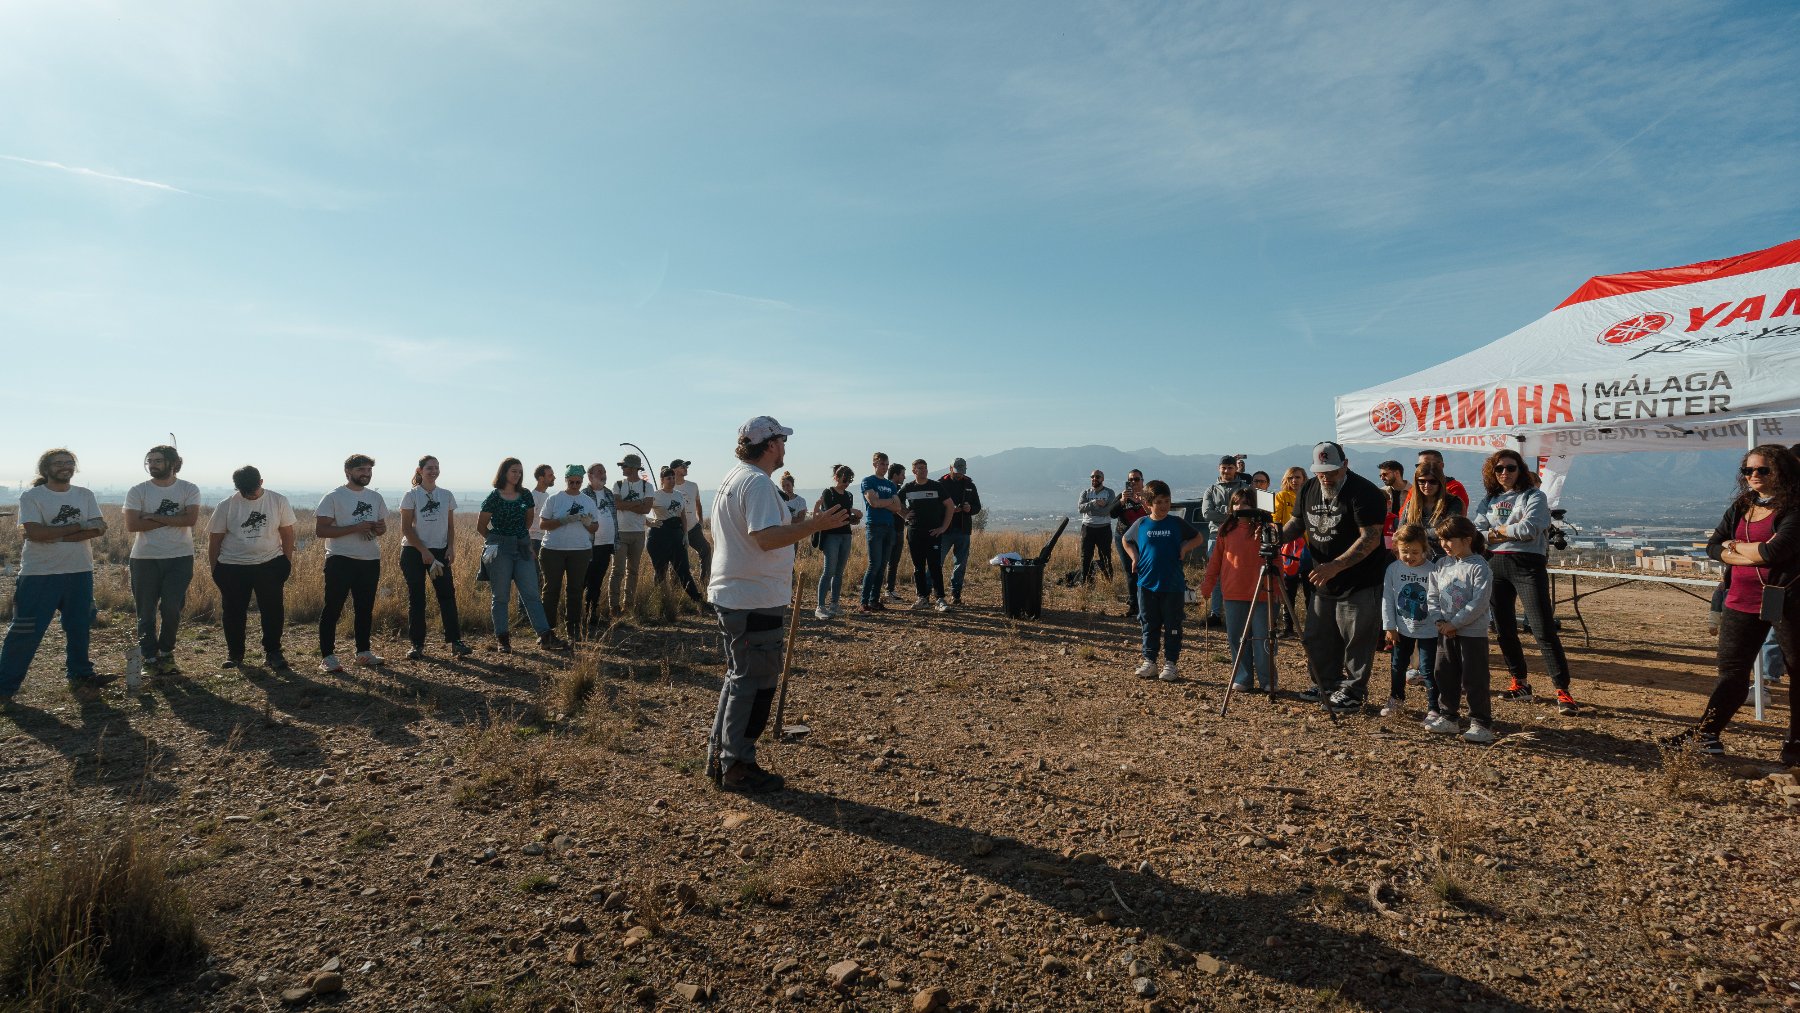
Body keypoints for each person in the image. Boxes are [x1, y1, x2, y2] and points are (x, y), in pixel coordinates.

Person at [705, 416, 848, 793]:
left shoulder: (735, 477)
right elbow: (767, 538)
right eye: (782, 440)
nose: (785, 447)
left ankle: (722, 756)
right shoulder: (756, 484)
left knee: (740, 676)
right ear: (770, 445)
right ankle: (737, 765)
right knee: (754, 681)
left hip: (740, 594)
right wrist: (816, 525)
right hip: (752, 597)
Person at [1666, 445, 1800, 765]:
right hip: (1740, 599)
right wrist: (1745, 550)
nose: (1753, 476)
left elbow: (1774, 552)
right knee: (1731, 672)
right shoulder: (1743, 505)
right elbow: (1713, 546)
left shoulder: (1795, 507)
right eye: (1748, 471)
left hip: (1788, 601)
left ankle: (1796, 742)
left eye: (1763, 470)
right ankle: (1707, 735)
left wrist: (1735, 547)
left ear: (1782, 471)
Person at [1276, 442, 1390, 712]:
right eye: (1320, 471)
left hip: (1359, 580)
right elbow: (1298, 523)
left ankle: (1353, 691)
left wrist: (1336, 565)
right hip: (1322, 578)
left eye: (1331, 471)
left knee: (1356, 638)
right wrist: (1277, 537)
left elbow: (1371, 538)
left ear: (1345, 464)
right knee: (1319, 635)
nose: (1325, 476)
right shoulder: (1309, 487)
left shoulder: (1365, 492)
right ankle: (1326, 683)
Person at [1471, 448, 1579, 715]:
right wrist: (1504, 532)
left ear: (1520, 470)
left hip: (1527, 565)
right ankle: (1519, 682)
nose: (1504, 473)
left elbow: (1530, 529)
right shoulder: (1489, 499)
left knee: (1542, 628)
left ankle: (1562, 690)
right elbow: (1476, 533)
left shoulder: (1535, 496)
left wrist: (1495, 532)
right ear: (1492, 473)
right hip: (1495, 564)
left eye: (1510, 468)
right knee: (1504, 628)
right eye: (1499, 469)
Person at [0, 449, 108, 709]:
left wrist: (56, 535)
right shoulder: (32, 496)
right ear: (45, 468)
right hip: (40, 573)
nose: (65, 467)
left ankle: (81, 674)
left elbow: (99, 528)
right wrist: (79, 526)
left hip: (79, 571)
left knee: (79, 626)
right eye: (58, 463)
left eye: (69, 463)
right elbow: (35, 533)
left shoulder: (85, 494)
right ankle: (5, 686)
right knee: (25, 630)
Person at [208, 466, 297, 673]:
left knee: (273, 610)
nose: (249, 495)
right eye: (244, 492)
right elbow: (215, 539)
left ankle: (273, 652)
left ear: (262, 482)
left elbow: (287, 533)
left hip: (270, 564)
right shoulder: (226, 505)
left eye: (253, 491)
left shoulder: (278, 501)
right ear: (237, 488)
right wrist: (216, 569)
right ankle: (235, 654)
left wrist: (286, 562)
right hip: (232, 566)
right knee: (233, 611)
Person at [124, 443, 200, 681]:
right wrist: (172, 519)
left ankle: (166, 653)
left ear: (172, 463)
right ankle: (149, 658)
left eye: (158, 460)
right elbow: (133, 525)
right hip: (145, 558)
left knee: (171, 608)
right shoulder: (138, 491)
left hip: (179, 557)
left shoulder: (189, 489)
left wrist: (153, 517)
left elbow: (190, 520)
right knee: (145, 612)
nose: (152, 465)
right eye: (150, 461)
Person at [478, 458, 566, 653]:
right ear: (503, 473)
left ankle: (545, 636)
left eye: (519, 471)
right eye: (513, 471)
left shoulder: (525, 495)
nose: (517, 475)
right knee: (500, 596)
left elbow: (528, 522)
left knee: (531, 593)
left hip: (523, 546)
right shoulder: (494, 496)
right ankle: (503, 639)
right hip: (499, 548)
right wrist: (495, 540)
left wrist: (521, 541)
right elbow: (481, 526)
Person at [315, 454, 390, 674]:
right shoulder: (334, 497)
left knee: (364, 609)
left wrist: (377, 529)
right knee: (333, 608)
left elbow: (383, 528)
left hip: (369, 559)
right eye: (361, 470)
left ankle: (363, 653)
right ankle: (327, 657)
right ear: (348, 472)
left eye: (369, 470)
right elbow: (321, 530)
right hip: (340, 559)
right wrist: (355, 527)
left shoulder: (375, 498)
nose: (366, 474)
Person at [1198, 488, 1278, 691]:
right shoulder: (1225, 530)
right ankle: (1243, 678)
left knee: (1262, 639)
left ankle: (1268, 680)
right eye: (1237, 503)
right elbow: (1215, 561)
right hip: (1234, 592)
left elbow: (1277, 561)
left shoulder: (1265, 529)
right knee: (1238, 638)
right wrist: (1208, 583)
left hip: (1263, 593)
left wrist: (1278, 589)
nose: (1241, 507)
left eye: (1245, 503)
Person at [1425, 515, 1496, 743]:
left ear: (1467, 539)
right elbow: (1432, 595)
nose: (1444, 544)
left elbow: (1478, 603)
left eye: (1449, 539)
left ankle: (1481, 722)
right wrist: (1439, 622)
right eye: (1441, 540)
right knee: (1444, 674)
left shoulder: (1479, 567)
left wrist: (1454, 624)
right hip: (1445, 632)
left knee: (1474, 678)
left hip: (1471, 634)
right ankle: (1449, 717)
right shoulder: (1441, 565)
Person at [399, 455, 469, 660]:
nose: (434, 471)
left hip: (440, 551)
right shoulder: (411, 495)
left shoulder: (446, 495)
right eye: (429, 468)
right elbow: (406, 529)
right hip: (414, 552)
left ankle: (455, 642)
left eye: (436, 468)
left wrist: (451, 547)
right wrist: (423, 551)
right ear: (420, 471)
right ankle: (417, 645)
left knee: (447, 596)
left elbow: (450, 526)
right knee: (417, 598)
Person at [1380, 524, 1438, 719]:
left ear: (1425, 549)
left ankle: (1434, 708)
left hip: (1429, 629)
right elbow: (1387, 597)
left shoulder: (1433, 570)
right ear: (1397, 548)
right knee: (1398, 665)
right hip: (1401, 628)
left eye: (1415, 552)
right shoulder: (1393, 569)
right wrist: (1389, 626)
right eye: (1405, 551)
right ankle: (1396, 699)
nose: (1409, 556)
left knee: (1428, 669)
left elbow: (1439, 599)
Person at [539, 465, 601, 639]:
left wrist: (588, 523)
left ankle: (573, 628)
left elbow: (595, 527)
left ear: (582, 481)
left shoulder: (588, 501)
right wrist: (563, 520)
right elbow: (543, 524)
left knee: (575, 589)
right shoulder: (554, 499)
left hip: (579, 550)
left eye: (578, 482)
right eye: (571, 481)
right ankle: (546, 630)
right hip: (553, 549)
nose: (575, 485)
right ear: (566, 480)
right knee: (551, 589)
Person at [1199, 455, 1252, 625]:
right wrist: (1234, 513)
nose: (1226, 471)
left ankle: (1240, 613)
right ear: (1219, 468)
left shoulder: (1245, 488)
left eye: (1230, 468)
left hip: (1242, 536)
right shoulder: (1211, 490)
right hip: (1216, 537)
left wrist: (1222, 511)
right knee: (1216, 576)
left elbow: (1251, 510)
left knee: (1240, 572)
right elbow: (1207, 514)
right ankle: (1216, 614)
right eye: (1224, 467)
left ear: (1236, 469)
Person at [900, 459, 958, 611]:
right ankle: (922, 598)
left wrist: (943, 527)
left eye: (925, 468)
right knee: (918, 567)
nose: (924, 470)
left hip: (933, 533)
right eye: (920, 468)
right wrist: (904, 514)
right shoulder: (908, 487)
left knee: (934, 566)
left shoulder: (936, 486)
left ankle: (940, 599)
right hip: (914, 532)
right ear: (914, 471)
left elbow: (950, 506)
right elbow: (895, 502)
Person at [858, 453, 907, 612]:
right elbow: (873, 502)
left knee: (883, 566)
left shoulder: (890, 485)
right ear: (874, 464)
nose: (884, 467)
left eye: (886, 465)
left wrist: (882, 502)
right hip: (875, 526)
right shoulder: (868, 481)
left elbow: (897, 508)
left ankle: (874, 600)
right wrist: (888, 502)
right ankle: (864, 601)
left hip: (889, 527)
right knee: (874, 565)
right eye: (881, 464)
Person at [812, 465, 862, 619]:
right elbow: (831, 511)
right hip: (831, 535)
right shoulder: (829, 492)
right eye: (845, 479)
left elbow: (844, 514)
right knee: (829, 571)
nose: (847, 482)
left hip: (845, 534)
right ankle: (820, 606)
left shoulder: (849, 495)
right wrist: (851, 514)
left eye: (850, 479)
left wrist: (851, 517)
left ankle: (834, 604)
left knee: (839, 572)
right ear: (836, 477)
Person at [649, 465, 703, 602]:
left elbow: (683, 516)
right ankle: (660, 601)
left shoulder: (678, 495)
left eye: (673, 478)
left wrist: (685, 535)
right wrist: (649, 522)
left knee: (683, 569)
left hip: (677, 534)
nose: (672, 480)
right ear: (662, 480)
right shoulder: (655, 495)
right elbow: (642, 510)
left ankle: (697, 599)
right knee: (660, 571)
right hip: (659, 536)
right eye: (668, 478)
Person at [611, 454, 655, 612]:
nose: (622, 468)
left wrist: (626, 505)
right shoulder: (617, 484)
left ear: (634, 468)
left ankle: (628, 605)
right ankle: (614, 606)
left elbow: (647, 509)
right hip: (620, 532)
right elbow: (616, 505)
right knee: (618, 570)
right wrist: (638, 502)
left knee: (633, 571)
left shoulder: (647, 486)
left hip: (638, 533)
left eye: (625, 466)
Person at [937, 457, 981, 606]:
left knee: (960, 564)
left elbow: (977, 507)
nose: (959, 475)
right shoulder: (940, 484)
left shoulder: (970, 484)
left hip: (963, 530)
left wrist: (969, 509)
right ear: (950, 468)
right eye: (956, 472)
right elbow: (934, 507)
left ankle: (956, 594)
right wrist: (949, 510)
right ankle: (933, 593)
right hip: (944, 530)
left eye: (961, 472)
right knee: (937, 562)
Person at [580, 463, 618, 631]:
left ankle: (591, 614)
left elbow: (613, 517)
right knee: (583, 581)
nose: (603, 474)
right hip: (589, 545)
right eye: (599, 472)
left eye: (604, 471)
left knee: (597, 581)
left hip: (607, 544)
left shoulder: (609, 493)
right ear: (590, 476)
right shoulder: (584, 495)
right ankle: (577, 616)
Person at [1402, 463, 1464, 558]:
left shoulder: (1453, 502)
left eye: (1432, 481)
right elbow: (1401, 531)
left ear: (1440, 482)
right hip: (1417, 558)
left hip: (1445, 557)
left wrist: (1415, 533)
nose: (1427, 485)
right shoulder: (1411, 504)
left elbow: (1449, 530)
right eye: (1422, 481)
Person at [1110, 470, 1149, 618]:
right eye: (1130, 480)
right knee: (1130, 571)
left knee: (1144, 569)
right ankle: (1134, 605)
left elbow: (1153, 512)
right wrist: (1121, 501)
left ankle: (1145, 603)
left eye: (1136, 479)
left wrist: (1143, 501)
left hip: (1143, 537)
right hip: (1124, 537)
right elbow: (1111, 513)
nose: (1133, 482)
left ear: (1142, 480)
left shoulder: (1147, 495)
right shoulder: (1122, 496)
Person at [1273, 466, 1307, 637]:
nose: (1295, 480)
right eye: (1291, 477)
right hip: (1288, 548)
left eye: (1298, 477)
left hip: (1308, 547)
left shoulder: (1310, 495)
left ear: (1304, 478)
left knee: (1310, 588)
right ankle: (1288, 627)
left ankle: (1312, 628)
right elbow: (1276, 519)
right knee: (1289, 589)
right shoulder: (1281, 496)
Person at [671, 459, 712, 587]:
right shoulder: (669, 487)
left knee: (706, 550)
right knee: (676, 559)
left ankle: (704, 582)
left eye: (686, 466)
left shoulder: (693, 485)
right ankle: (676, 588)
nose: (686, 468)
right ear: (674, 470)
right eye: (683, 466)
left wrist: (700, 520)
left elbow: (698, 504)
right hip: (676, 530)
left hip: (693, 528)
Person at [1078, 469, 1117, 582]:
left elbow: (1107, 511)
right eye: (1092, 477)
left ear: (1103, 479)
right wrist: (1095, 503)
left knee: (1105, 557)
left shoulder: (1110, 493)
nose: (1094, 479)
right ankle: (1084, 582)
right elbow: (1080, 509)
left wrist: (1090, 509)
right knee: (1085, 557)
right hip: (1087, 529)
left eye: (1097, 477)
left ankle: (1109, 583)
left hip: (1104, 529)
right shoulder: (1085, 493)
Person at [884, 461, 908, 598]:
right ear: (895, 475)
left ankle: (890, 588)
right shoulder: (887, 490)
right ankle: (886, 589)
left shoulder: (900, 490)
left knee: (894, 561)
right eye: (902, 474)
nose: (904, 477)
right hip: (890, 528)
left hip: (899, 529)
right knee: (887, 560)